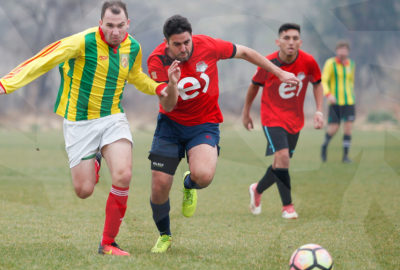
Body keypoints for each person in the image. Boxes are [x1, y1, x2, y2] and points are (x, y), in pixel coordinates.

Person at [0, 1, 179, 256]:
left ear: (128, 24)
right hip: (79, 123)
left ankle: (108, 243)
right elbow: (44, 60)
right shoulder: (81, 42)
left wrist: (158, 87)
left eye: (120, 26)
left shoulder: (133, 46)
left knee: (123, 175)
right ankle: (95, 160)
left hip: (112, 118)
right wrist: (6, 84)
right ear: (100, 24)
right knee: (83, 191)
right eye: (109, 26)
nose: (115, 32)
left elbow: (135, 76)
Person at [146, 15, 300, 253]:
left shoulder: (207, 45)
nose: (183, 48)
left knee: (203, 176)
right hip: (170, 126)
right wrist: (173, 83)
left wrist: (278, 73)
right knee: (159, 186)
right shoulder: (157, 60)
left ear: (191, 36)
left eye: (186, 42)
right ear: (166, 42)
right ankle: (165, 235)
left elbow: (246, 52)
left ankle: (189, 185)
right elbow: (167, 106)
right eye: (177, 44)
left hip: (204, 124)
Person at [241, 23, 324, 219]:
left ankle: (257, 189)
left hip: (295, 120)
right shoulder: (267, 62)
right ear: (278, 42)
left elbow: (317, 84)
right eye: (286, 38)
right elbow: (254, 87)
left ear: (300, 42)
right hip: (271, 117)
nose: (291, 42)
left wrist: (319, 111)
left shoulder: (308, 62)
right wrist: (246, 113)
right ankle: (288, 207)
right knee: (283, 157)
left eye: (295, 38)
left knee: (280, 163)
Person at [320, 40, 356, 163]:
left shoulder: (351, 64)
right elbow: (324, 80)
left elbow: (351, 81)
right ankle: (324, 146)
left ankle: (345, 156)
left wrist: (351, 94)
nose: (343, 52)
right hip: (335, 103)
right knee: (334, 128)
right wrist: (328, 94)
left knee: (348, 128)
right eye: (340, 49)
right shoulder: (330, 63)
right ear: (337, 51)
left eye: (345, 49)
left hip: (349, 102)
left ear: (348, 52)